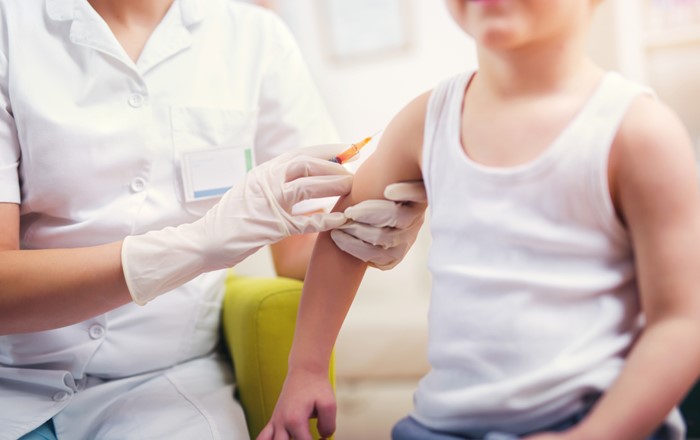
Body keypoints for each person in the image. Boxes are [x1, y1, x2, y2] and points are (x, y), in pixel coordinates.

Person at [260, 0, 700, 439]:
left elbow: (682, 322)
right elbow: (346, 234)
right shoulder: (427, 120)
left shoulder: (639, 133)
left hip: (593, 421)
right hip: (439, 425)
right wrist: (307, 367)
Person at [0, 0, 427, 439]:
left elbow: (304, 244)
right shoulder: (10, 27)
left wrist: (370, 237)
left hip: (165, 381)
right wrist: (198, 243)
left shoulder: (256, 37)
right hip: (12, 381)